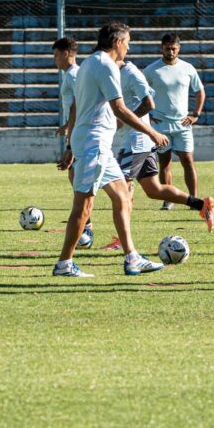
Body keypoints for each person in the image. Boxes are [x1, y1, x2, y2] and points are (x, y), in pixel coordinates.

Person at [53, 22, 170, 277]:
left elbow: (78, 107)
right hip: (93, 145)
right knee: (83, 206)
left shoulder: (89, 63)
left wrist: (71, 145)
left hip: (98, 146)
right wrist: (151, 132)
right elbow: (119, 108)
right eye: (127, 42)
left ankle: (132, 258)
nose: (128, 47)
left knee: (122, 198)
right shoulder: (104, 65)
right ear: (117, 42)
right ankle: (64, 264)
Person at [111, 57, 214, 247]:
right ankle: (201, 204)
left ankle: (121, 241)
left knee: (121, 190)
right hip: (138, 141)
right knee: (154, 190)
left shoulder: (131, 73)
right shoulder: (115, 72)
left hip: (135, 142)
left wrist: (124, 121)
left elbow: (149, 103)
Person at [144, 33, 205, 210]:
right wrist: (148, 114)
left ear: (179, 48)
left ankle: (194, 200)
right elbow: (140, 93)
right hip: (160, 124)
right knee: (164, 162)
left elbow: (200, 91)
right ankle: (168, 200)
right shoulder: (151, 70)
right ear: (161, 48)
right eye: (167, 48)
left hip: (182, 124)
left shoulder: (188, 68)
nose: (170, 52)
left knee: (188, 160)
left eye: (173, 48)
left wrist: (195, 114)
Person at [52, 36, 94, 242]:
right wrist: (68, 126)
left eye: (56, 55)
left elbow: (80, 104)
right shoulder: (71, 74)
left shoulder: (74, 75)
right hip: (77, 130)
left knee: (80, 178)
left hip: (82, 133)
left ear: (66, 53)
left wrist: (70, 129)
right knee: (74, 175)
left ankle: (86, 223)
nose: (54, 59)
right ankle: (86, 222)